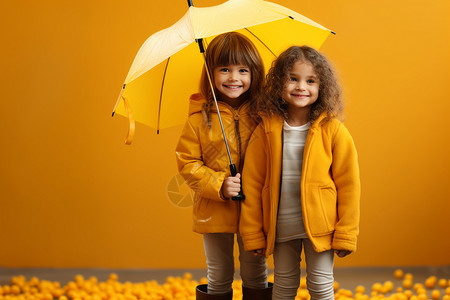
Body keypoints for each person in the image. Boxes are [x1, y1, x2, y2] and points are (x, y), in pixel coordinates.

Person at [239, 46, 361, 300]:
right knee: (283, 285)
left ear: (321, 87)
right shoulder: (266, 130)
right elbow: (251, 183)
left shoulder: (333, 131)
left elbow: (349, 185)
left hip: (322, 228)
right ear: (279, 83)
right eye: (292, 79)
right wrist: (252, 233)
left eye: (310, 81)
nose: (300, 86)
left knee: (321, 285)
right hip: (281, 228)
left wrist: (346, 232)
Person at [175, 32, 271, 300]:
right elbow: (187, 163)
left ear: (254, 74)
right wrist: (219, 184)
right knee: (219, 271)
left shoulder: (264, 115)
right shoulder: (198, 120)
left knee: (255, 269)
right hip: (214, 211)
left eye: (243, 70)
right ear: (211, 73)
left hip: (255, 210)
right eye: (224, 69)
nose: (233, 78)